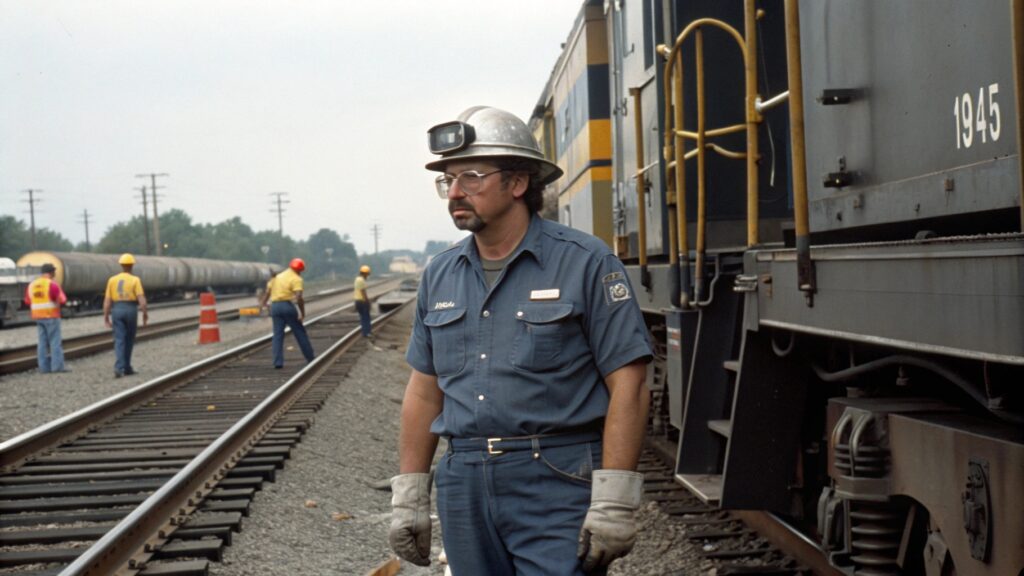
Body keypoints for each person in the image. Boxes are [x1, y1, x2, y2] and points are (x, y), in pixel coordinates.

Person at [389, 106, 653, 575]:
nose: (454, 192)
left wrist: (615, 498)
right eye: (447, 180)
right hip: (464, 482)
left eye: (470, 176)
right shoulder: (440, 275)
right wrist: (410, 492)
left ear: (517, 184)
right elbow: (424, 390)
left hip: (556, 477)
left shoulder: (586, 262)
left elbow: (628, 384)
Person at [261, 257, 315, 369]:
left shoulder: (277, 277)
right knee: (299, 331)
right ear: (301, 270)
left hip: (275, 307)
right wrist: (302, 313)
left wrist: (263, 304)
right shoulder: (296, 279)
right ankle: (310, 357)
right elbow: (299, 297)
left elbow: (267, 293)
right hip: (287, 306)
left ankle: (278, 362)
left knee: (277, 335)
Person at [103, 253, 149, 378]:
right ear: (132, 266)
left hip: (117, 309)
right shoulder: (135, 280)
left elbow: (107, 301)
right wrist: (144, 314)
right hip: (130, 309)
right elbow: (142, 300)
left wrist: (106, 316)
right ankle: (127, 367)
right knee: (129, 339)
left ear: (121, 265)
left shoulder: (112, 280)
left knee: (119, 339)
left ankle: (119, 367)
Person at [24, 262, 68, 373]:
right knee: (55, 342)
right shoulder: (52, 284)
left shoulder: (32, 285)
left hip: (38, 317)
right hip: (51, 316)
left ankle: (43, 368)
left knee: (42, 343)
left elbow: (27, 301)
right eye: (54, 272)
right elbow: (62, 300)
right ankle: (57, 367)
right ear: (51, 272)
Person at [353, 264, 372, 338]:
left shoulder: (357, 279)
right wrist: (367, 301)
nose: (367, 276)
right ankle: (367, 333)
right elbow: (363, 292)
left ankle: (365, 332)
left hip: (357, 301)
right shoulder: (361, 280)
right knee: (366, 317)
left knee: (362, 317)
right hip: (362, 301)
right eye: (367, 274)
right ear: (365, 273)